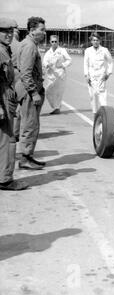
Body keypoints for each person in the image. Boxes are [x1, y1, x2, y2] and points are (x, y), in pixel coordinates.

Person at [0, 17, 28, 190]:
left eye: (11, 32)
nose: (9, 35)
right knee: (8, 141)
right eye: (5, 32)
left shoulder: (5, 49)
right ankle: (5, 180)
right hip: (2, 98)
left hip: (6, 97)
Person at [15, 16, 46, 170]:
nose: (44, 33)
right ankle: (25, 158)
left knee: (30, 124)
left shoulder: (29, 43)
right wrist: (34, 92)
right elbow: (25, 73)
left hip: (28, 89)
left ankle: (28, 156)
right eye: (42, 30)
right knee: (30, 125)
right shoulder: (29, 47)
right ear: (32, 30)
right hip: (29, 91)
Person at [84, 32, 113, 114]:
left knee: (102, 94)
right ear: (91, 41)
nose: (95, 42)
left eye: (97, 40)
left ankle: (105, 113)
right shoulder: (88, 51)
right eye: (94, 40)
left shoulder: (104, 50)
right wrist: (86, 75)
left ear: (100, 41)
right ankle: (95, 113)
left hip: (101, 75)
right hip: (92, 76)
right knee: (92, 95)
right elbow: (86, 63)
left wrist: (108, 73)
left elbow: (110, 62)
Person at [43, 35, 72, 114]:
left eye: (56, 41)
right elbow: (44, 61)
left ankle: (57, 108)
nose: (54, 43)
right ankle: (55, 106)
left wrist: (62, 65)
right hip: (51, 76)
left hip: (60, 75)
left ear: (58, 42)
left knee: (58, 93)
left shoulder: (62, 50)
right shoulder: (48, 52)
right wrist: (47, 65)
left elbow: (69, 60)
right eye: (52, 41)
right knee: (48, 92)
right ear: (50, 42)